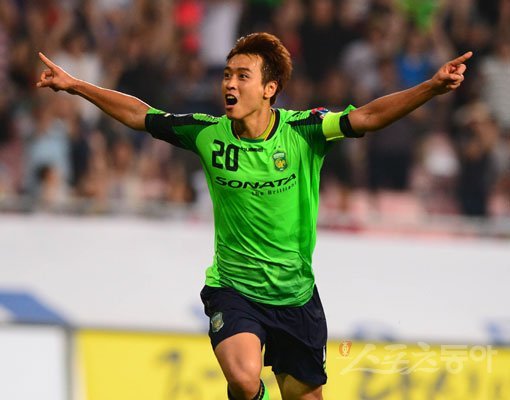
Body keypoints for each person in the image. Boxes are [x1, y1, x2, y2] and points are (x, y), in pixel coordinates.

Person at [37, 32, 471, 400]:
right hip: (234, 290)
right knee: (245, 380)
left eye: (243, 76)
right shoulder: (207, 134)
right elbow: (141, 115)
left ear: (269, 88)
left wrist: (430, 88)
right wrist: (76, 85)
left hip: (296, 298)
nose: (230, 83)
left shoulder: (305, 131)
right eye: (227, 75)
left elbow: (369, 116)